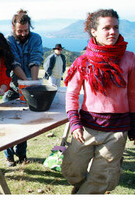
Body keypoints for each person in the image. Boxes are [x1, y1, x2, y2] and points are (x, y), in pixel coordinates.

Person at [61, 9, 135, 194]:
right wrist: (75, 124)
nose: (112, 32)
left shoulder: (129, 59)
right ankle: (82, 187)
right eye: (107, 28)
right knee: (71, 169)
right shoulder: (83, 61)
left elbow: (133, 94)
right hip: (86, 127)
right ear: (94, 31)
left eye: (116, 27)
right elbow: (71, 95)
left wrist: (133, 125)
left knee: (102, 178)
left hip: (117, 130)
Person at [3, 9, 44, 166]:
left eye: (26, 30)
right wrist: (26, 82)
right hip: (12, 87)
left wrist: (32, 85)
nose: (23, 33)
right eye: (20, 31)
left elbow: (35, 59)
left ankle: (22, 155)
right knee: (7, 122)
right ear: (13, 28)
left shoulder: (36, 39)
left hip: (28, 85)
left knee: (25, 123)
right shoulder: (8, 40)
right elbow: (14, 63)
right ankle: (8, 156)